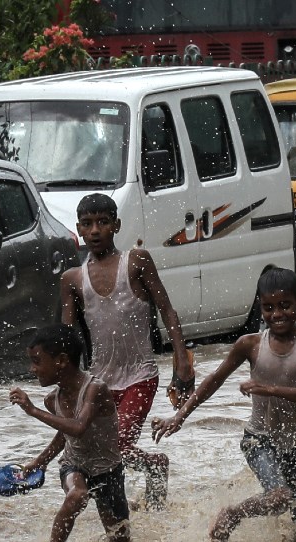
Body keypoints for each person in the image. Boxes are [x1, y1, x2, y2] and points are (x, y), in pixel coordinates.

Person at [151, 267, 296, 542]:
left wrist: (269, 389)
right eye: (268, 307)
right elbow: (214, 379)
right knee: (279, 496)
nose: (277, 314)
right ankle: (232, 514)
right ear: (260, 307)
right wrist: (180, 415)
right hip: (259, 440)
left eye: (285, 305)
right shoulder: (251, 344)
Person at [60, 192, 196, 510]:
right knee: (96, 451)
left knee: (114, 447)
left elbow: (167, 309)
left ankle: (148, 482)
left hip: (140, 376)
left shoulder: (136, 261)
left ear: (116, 225)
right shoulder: (72, 279)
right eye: (88, 224)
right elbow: (66, 340)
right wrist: (66, 386)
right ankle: (148, 471)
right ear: (78, 229)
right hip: (99, 382)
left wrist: (181, 360)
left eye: (103, 223)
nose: (95, 231)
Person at [10, 324, 133, 542]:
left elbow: (78, 427)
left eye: (37, 361)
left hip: (108, 470)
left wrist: (33, 411)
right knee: (77, 494)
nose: (32, 369)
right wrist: (40, 462)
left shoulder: (95, 389)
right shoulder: (52, 399)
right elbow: (65, 436)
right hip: (74, 464)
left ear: (62, 361)